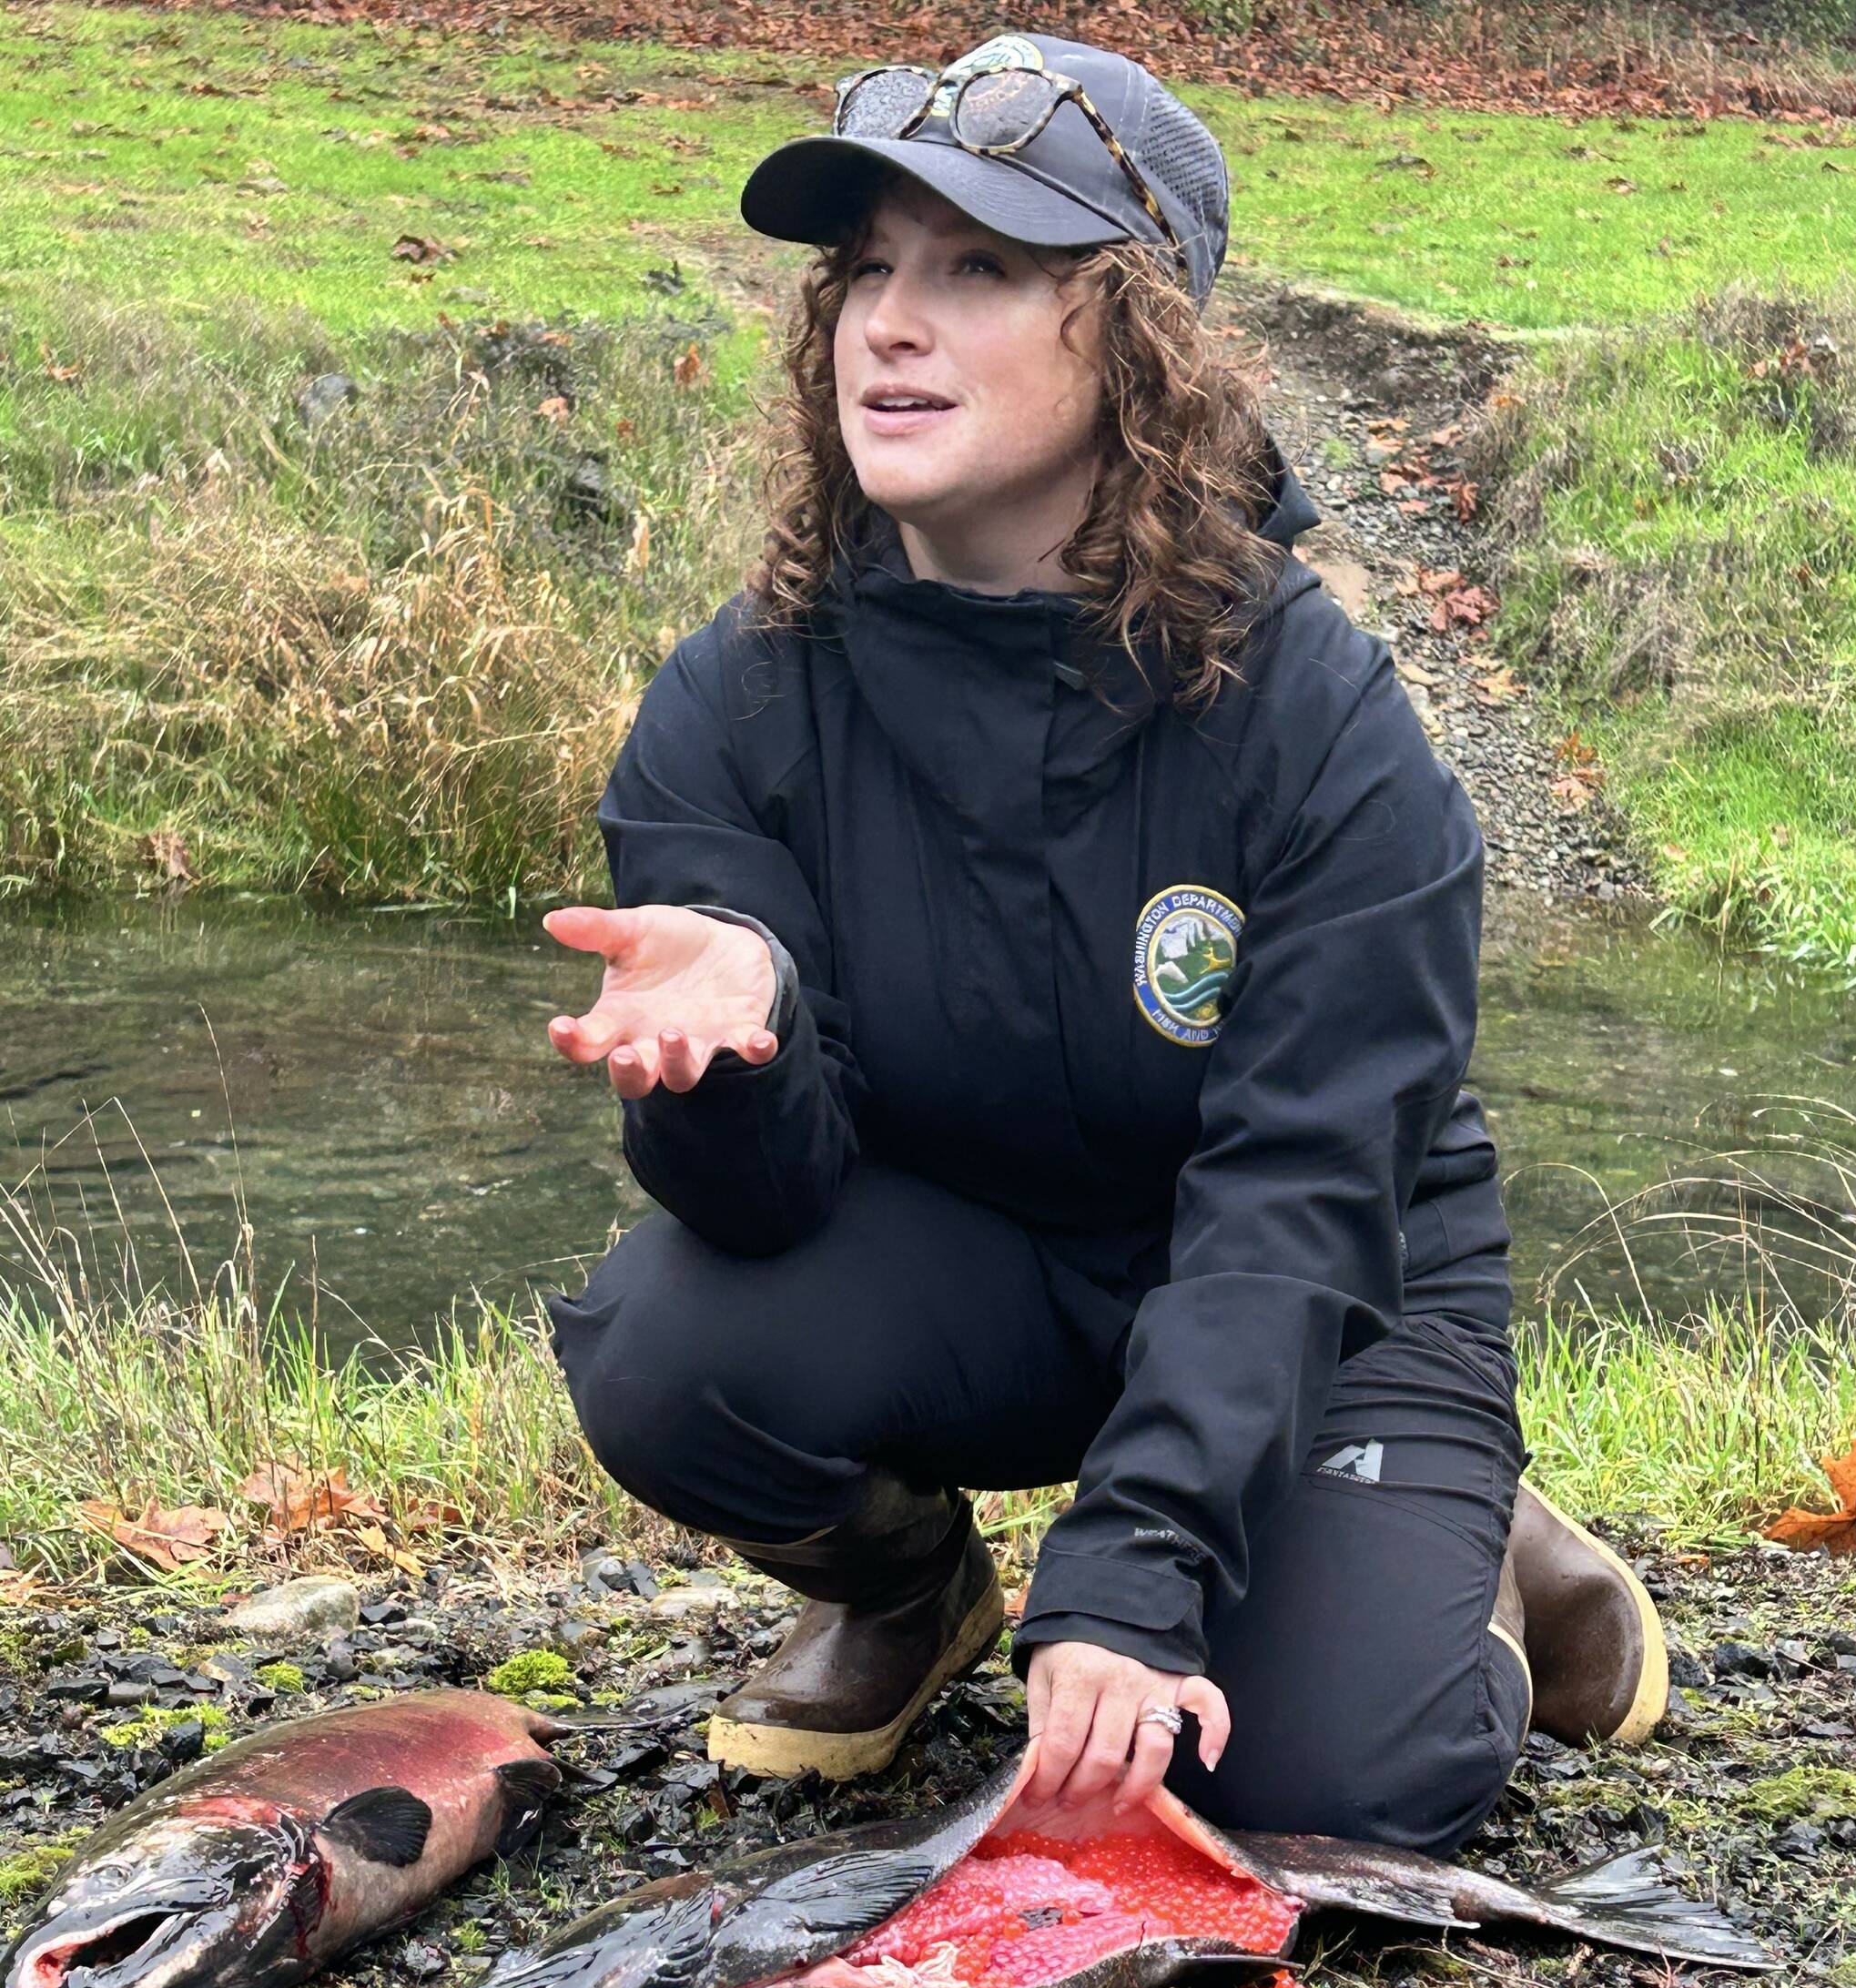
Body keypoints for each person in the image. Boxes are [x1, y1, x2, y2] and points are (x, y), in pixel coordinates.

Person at [542, 31, 1668, 1854]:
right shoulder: (738, 698)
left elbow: (1306, 1186)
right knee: (667, 1347)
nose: (889, 325)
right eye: (871, 271)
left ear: (1135, 337)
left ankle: (1483, 1552)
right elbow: (758, 1215)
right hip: (996, 1269)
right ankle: (915, 1598)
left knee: (1317, 1786)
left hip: (1331, 1299)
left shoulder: (1317, 712)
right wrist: (735, 1067)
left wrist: (1133, 1568)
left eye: (978, 268)